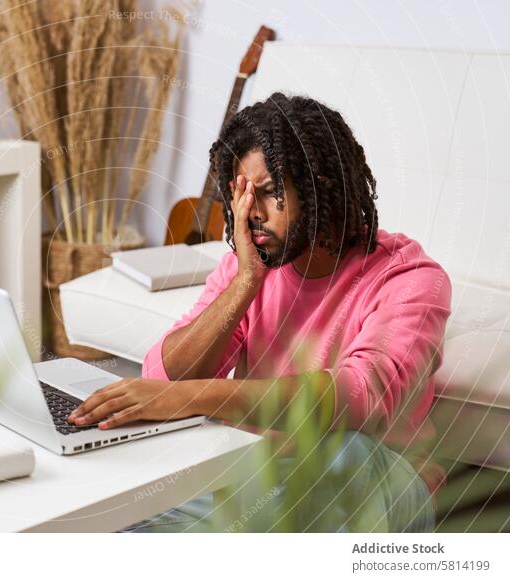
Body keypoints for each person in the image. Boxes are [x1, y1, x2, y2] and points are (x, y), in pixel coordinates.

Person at [66, 92, 452, 532]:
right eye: (241, 195)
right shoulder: (251, 263)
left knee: (345, 454)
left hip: (371, 482)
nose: (250, 214)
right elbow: (164, 379)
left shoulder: (411, 279)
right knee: (115, 516)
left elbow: (360, 398)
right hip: (258, 479)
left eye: (267, 193)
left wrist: (193, 398)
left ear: (320, 185)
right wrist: (246, 282)